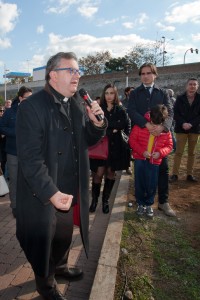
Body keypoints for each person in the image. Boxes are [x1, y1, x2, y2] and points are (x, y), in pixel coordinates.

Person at [15, 52, 106, 300]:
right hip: (43, 192)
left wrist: (96, 125)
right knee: (44, 241)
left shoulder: (76, 102)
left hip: (69, 187)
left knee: (64, 235)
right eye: (71, 71)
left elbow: (85, 141)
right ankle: (46, 285)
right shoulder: (31, 108)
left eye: (79, 71)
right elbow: (30, 160)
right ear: (53, 75)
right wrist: (51, 193)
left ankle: (61, 266)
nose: (77, 75)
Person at [127, 62, 176, 217]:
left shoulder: (162, 93)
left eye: (149, 73)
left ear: (155, 74)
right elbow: (131, 111)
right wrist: (146, 124)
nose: (145, 76)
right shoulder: (135, 93)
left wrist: (163, 128)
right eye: (142, 73)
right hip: (141, 136)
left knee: (162, 170)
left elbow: (170, 112)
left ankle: (163, 201)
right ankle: (141, 201)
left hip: (159, 138)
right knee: (141, 172)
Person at [89, 83, 130, 214]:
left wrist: (107, 125)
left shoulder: (120, 109)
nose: (109, 96)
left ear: (115, 94)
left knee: (111, 174)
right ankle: (94, 200)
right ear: (103, 94)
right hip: (101, 146)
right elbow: (95, 124)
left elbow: (123, 123)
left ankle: (105, 201)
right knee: (98, 174)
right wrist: (113, 127)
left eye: (111, 93)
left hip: (115, 147)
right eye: (107, 93)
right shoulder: (99, 108)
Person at [129, 105, 173, 217]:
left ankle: (148, 204)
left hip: (155, 162)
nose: (155, 127)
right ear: (150, 118)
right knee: (139, 182)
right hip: (140, 159)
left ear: (163, 122)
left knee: (152, 183)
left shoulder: (165, 131)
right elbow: (132, 140)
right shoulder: (141, 125)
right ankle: (140, 203)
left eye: (158, 125)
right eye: (153, 123)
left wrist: (160, 153)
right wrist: (142, 151)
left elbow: (169, 145)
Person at [0, 86, 32, 217]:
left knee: (29, 180)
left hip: (30, 153)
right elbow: (1, 127)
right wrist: (16, 133)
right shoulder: (10, 112)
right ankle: (15, 206)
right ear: (20, 98)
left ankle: (28, 205)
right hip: (13, 152)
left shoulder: (35, 111)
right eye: (27, 98)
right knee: (14, 180)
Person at [170, 78, 200, 183]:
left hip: (194, 129)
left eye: (194, 84)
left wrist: (191, 124)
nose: (192, 86)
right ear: (186, 86)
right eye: (190, 84)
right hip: (181, 129)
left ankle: (189, 174)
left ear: (197, 86)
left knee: (192, 153)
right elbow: (175, 113)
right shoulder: (180, 98)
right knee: (178, 152)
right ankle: (175, 174)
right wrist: (183, 123)